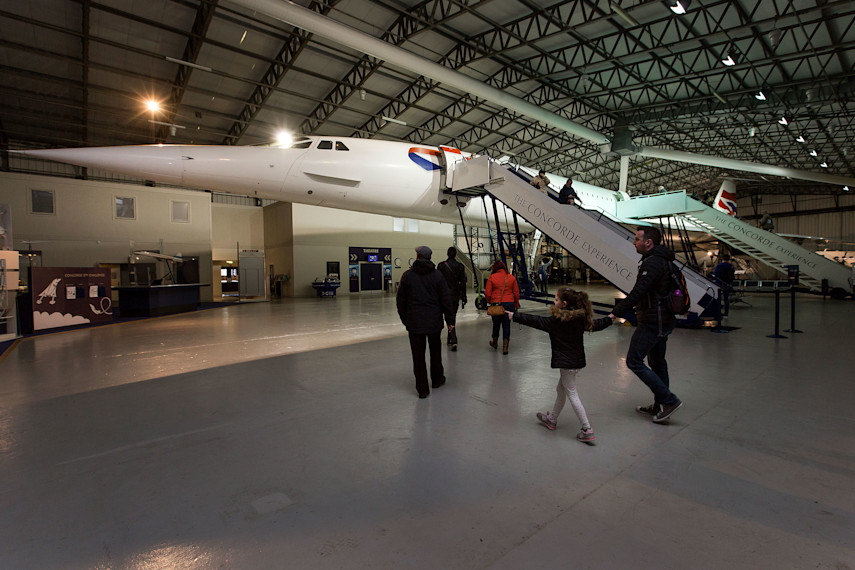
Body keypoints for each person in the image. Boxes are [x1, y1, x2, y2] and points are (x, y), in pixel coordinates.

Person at [507, 287, 612, 443]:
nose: (553, 302)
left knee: (572, 393)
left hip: (567, 364)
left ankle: (587, 429)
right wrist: (610, 319)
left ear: (564, 303)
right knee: (560, 389)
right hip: (576, 362)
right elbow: (595, 325)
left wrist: (514, 316)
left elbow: (536, 321)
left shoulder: (557, 321)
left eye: (556, 300)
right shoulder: (580, 318)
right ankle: (552, 419)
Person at [608, 226, 682, 424]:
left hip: (653, 320)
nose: (634, 243)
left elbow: (638, 291)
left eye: (637, 239)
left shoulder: (653, 263)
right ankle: (660, 405)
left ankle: (669, 400)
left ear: (648, 242)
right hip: (663, 320)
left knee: (633, 360)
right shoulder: (664, 260)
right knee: (658, 363)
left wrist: (616, 312)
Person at [396, 246, 456, 399]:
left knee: (418, 356)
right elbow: (445, 300)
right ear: (429, 257)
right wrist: (450, 321)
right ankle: (437, 380)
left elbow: (400, 301)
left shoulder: (408, 276)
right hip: (434, 322)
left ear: (417, 256)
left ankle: (422, 389)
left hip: (415, 323)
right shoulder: (437, 276)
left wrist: (406, 320)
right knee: (435, 353)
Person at [485, 260, 520, 355]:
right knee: (506, 325)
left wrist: (489, 302)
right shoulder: (511, 277)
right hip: (509, 303)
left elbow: (487, 293)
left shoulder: (492, 277)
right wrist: (516, 304)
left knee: (496, 324)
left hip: (496, 304)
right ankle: (505, 348)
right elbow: (516, 293)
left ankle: (495, 342)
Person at [437, 246, 468, 351]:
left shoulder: (441, 266)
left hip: (443, 296)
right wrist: (464, 297)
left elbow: (437, 282)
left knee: (446, 317)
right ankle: (452, 338)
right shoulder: (460, 266)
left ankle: (451, 338)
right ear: (455, 255)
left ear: (447, 254)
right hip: (455, 296)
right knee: (452, 316)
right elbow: (463, 283)